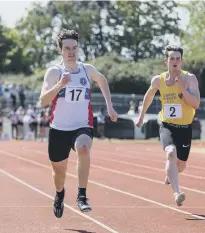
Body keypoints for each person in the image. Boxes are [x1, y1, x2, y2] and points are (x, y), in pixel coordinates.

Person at [39, 28, 118, 218]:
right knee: (59, 174)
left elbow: (102, 79)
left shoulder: (86, 69)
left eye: (74, 47)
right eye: (67, 48)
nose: (71, 52)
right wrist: (60, 85)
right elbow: (43, 101)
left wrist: (109, 106)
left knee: (84, 148)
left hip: (82, 125)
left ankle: (82, 196)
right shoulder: (54, 72)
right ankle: (59, 194)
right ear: (60, 50)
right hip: (59, 128)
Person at [136, 45, 200, 206]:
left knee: (181, 165)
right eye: (172, 58)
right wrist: (141, 115)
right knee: (170, 153)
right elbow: (148, 96)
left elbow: (196, 103)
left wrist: (183, 88)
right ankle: (177, 192)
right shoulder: (159, 80)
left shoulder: (190, 78)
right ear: (166, 61)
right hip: (167, 125)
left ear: (182, 61)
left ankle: (171, 174)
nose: (175, 62)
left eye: (178, 58)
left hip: (185, 128)